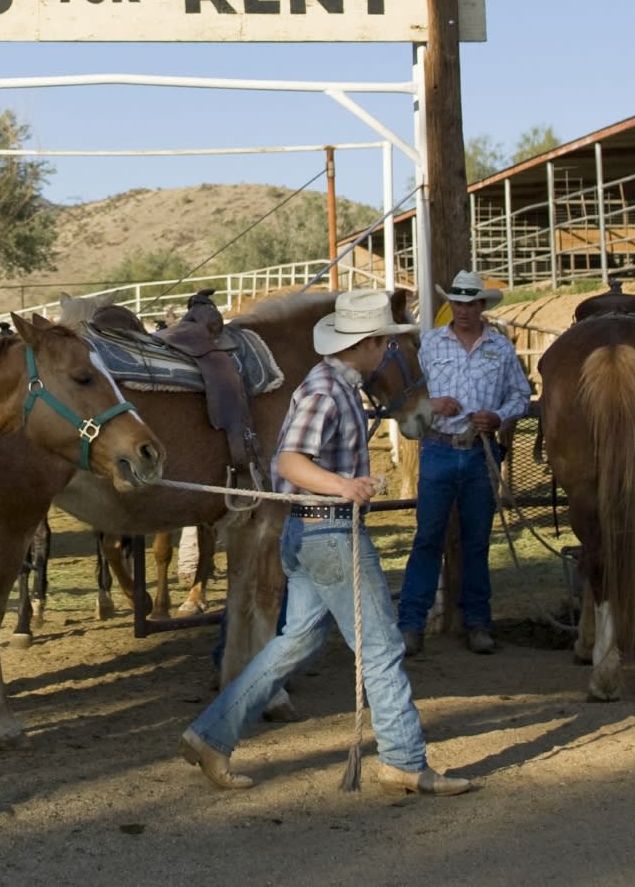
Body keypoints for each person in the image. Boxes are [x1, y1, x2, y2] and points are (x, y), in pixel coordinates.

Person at [179, 289, 471, 797]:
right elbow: (288, 462)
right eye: (386, 343)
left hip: (314, 533)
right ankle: (403, 759)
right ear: (370, 343)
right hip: (329, 532)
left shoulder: (337, 386)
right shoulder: (325, 391)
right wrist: (344, 486)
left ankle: (211, 735)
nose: (388, 352)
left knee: (296, 642)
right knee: (381, 648)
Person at [397, 270, 532, 658]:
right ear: (451, 304)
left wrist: (498, 417)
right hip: (438, 449)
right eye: (457, 303)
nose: (463, 310)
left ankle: (477, 623)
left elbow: (520, 395)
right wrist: (431, 405)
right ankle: (411, 624)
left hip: (479, 451)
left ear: (481, 306)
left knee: (476, 543)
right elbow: (407, 397)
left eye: (470, 303)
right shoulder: (429, 345)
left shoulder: (501, 349)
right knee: (427, 539)